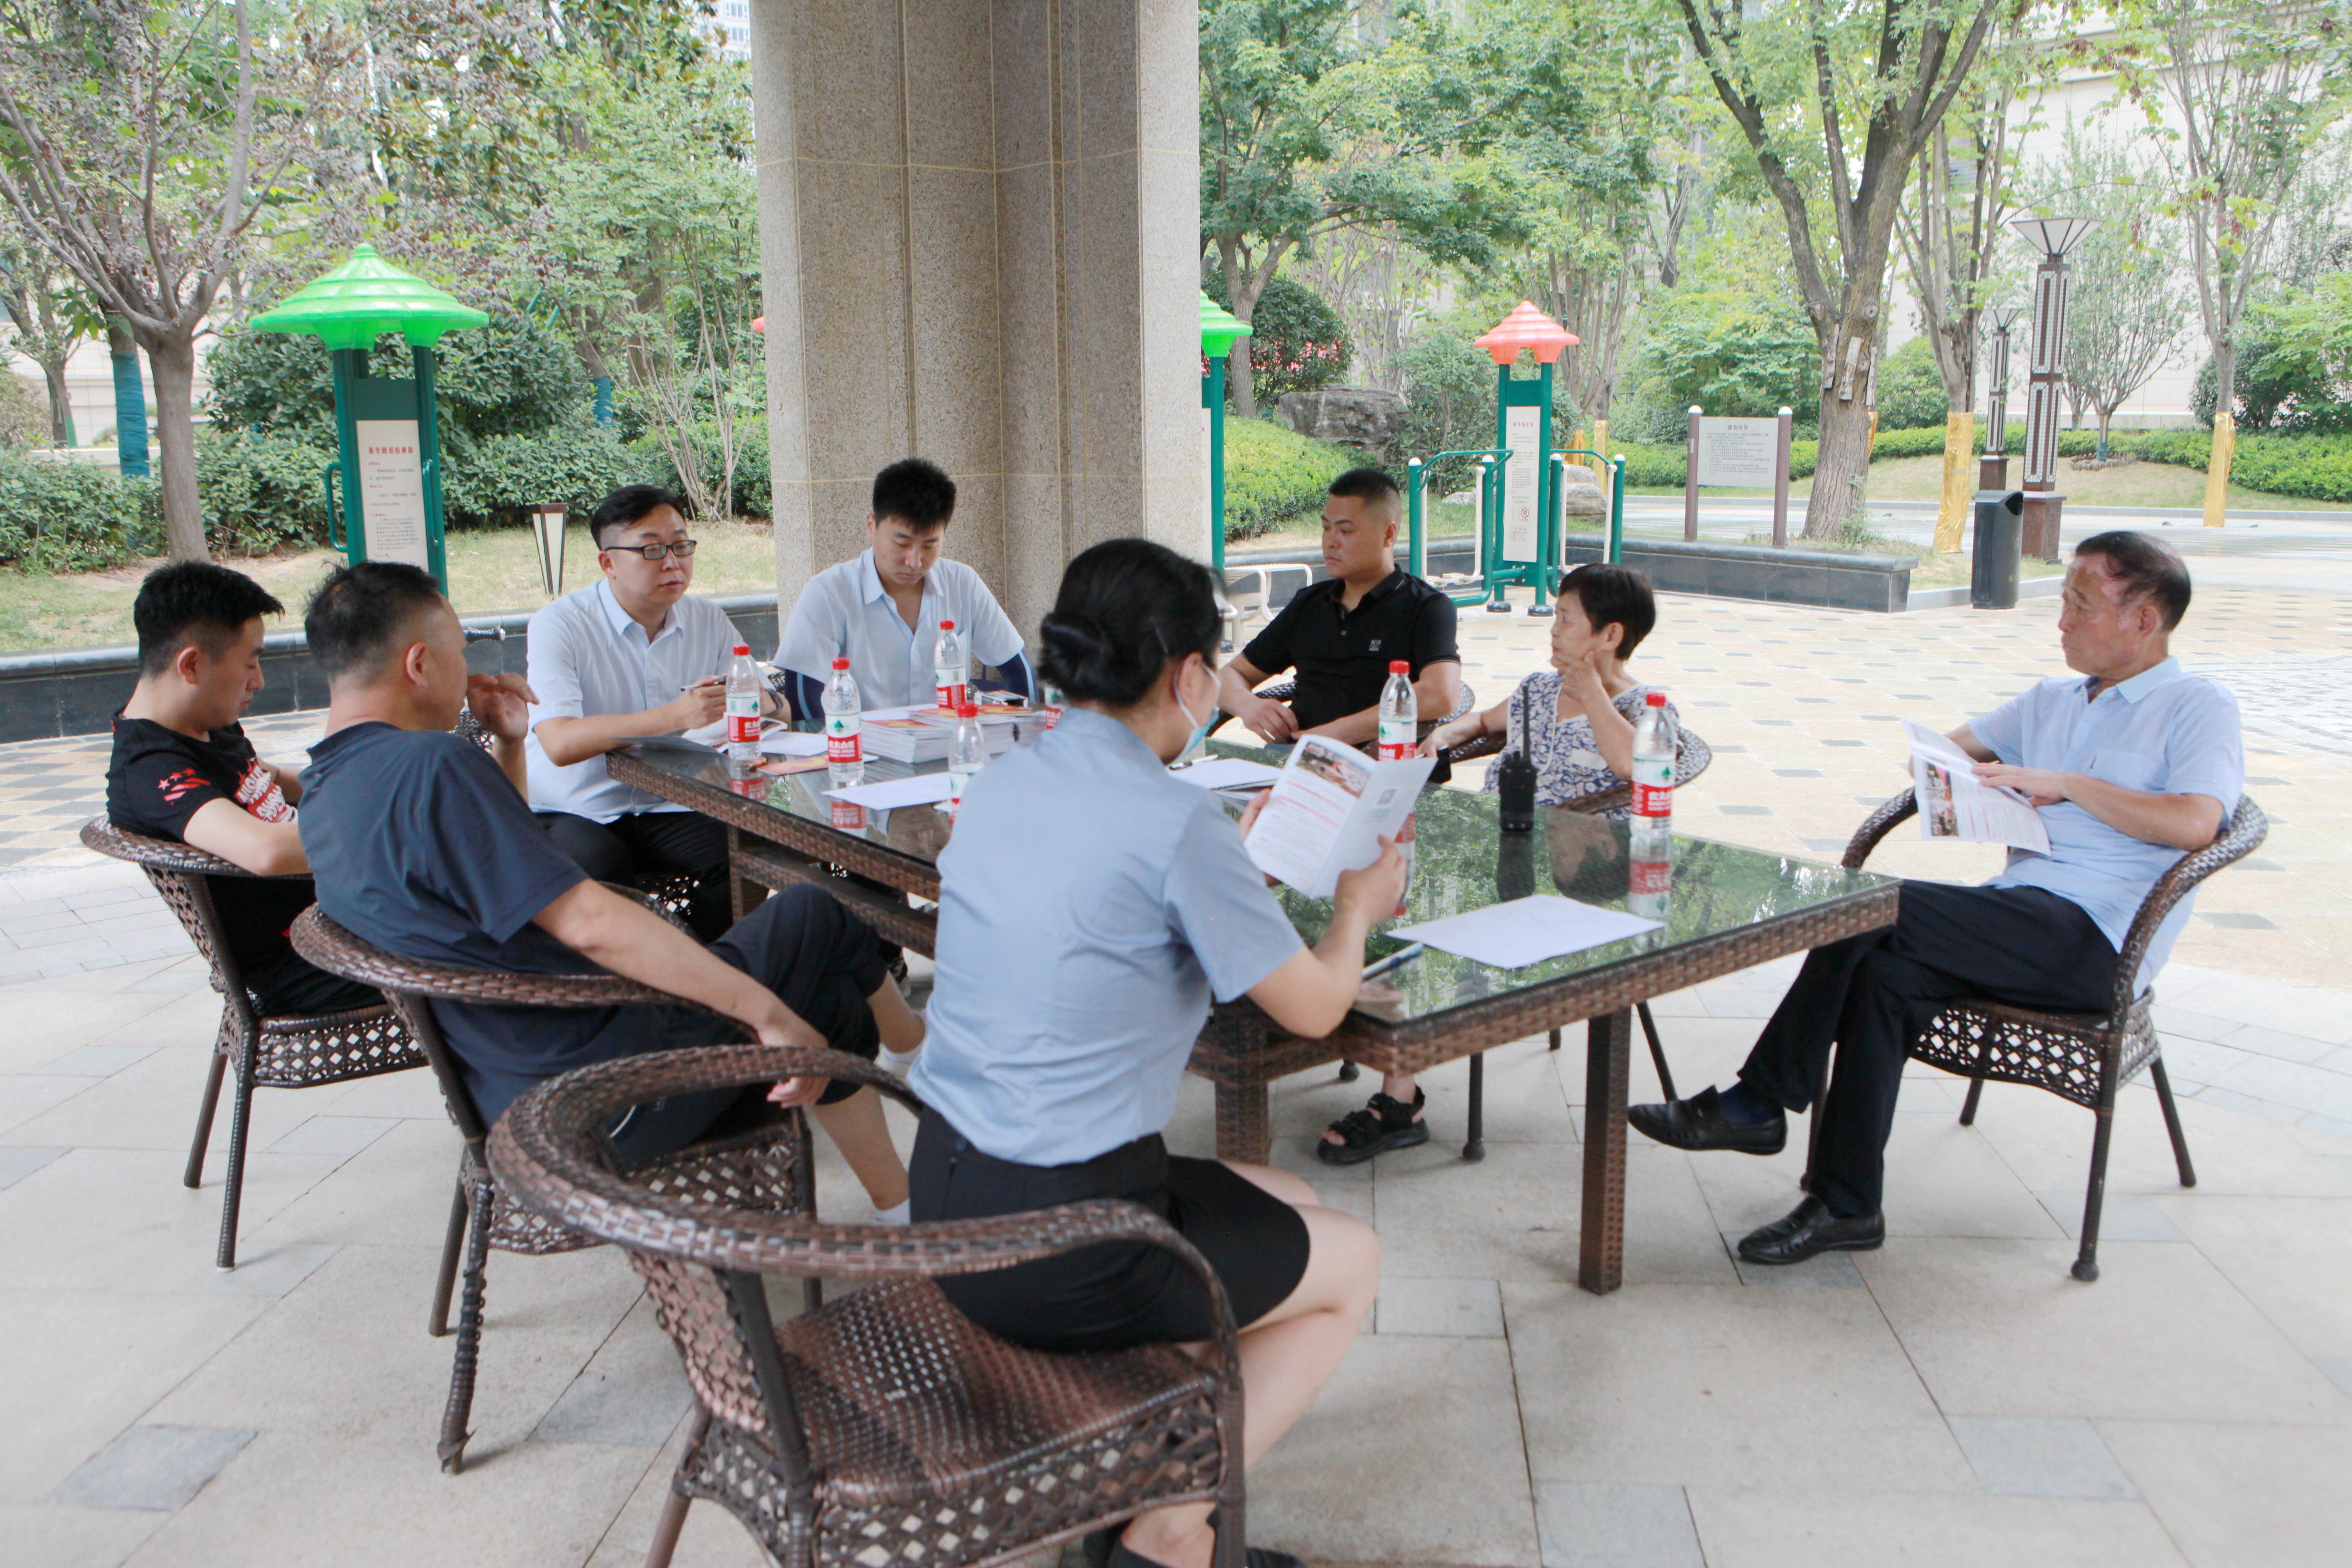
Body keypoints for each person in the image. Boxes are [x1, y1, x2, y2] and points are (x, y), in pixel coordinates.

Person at [910, 538, 1391, 1568]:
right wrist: (1356, 909)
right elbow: (1314, 1008)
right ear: (1185, 675)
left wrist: (1232, 863)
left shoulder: (1001, 781)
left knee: (1284, 1198)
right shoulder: (1175, 822)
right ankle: (1168, 1532)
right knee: (1353, 1259)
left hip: (947, 1193)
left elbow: (1099, 912)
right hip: (1063, 1242)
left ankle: (1143, 1459)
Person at [1630, 531, 2243, 1263]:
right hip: (2012, 909)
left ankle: (1760, 1102)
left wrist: (2067, 784)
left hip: (2095, 940)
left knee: (1863, 906)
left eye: (2081, 605)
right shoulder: (2050, 700)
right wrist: (1976, 791)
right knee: (1883, 976)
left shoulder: (2195, 705)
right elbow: (1939, 756)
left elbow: (2196, 822)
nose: (2062, 621)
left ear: (2145, 619)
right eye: (2063, 602)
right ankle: (1847, 1205)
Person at [295, 561, 921, 1210]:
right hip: (604, 1091)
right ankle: (916, 1060)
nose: (467, 670)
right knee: (812, 911)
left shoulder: (324, 791)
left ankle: (899, 1203)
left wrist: (509, 746)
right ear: (420, 664)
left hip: (509, 1089)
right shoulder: (433, 764)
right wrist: (765, 1014)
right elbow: (588, 923)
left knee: (827, 1002)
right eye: (459, 651)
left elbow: (502, 862)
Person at [1314, 563, 1708, 1165]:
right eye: (1556, 617)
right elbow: (1484, 722)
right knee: (1379, 887)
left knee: (1424, 923)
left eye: (1567, 620)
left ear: (1610, 635)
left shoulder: (1645, 709)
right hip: (1492, 849)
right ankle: (1340, 1017)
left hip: (1567, 883)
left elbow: (1635, 768)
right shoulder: (1537, 689)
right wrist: (1448, 736)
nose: (1554, 630)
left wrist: (1592, 691)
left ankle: (1399, 1099)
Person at [106, 561, 377, 1015]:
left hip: (344, 916)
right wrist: (398, 826)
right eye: (250, 662)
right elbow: (266, 851)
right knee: (490, 948)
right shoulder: (151, 770)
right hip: (307, 959)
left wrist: (382, 784)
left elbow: (270, 779)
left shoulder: (205, 723)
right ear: (191, 664)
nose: (259, 680)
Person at [525, 485, 772, 941]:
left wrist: (752, 700)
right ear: (608, 563)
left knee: (746, 850)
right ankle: (627, 981)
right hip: (575, 806)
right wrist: (676, 716)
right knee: (599, 869)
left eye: (681, 546)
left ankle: (707, 968)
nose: (673, 563)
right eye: (652, 550)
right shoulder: (559, 625)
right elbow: (559, 743)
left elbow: (767, 701)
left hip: (667, 803)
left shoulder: (707, 620)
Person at [1216, 467, 1461, 750]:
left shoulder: (1426, 607)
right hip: (1298, 761)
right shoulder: (1310, 605)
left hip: (1385, 763)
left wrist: (1340, 733)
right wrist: (1249, 706)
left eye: (1346, 531)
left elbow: (1441, 695)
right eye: (1326, 528)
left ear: (1388, 534)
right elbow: (1228, 676)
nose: (1331, 542)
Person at [775, 457, 1031, 714]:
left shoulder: (963, 583)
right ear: (871, 527)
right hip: (859, 739)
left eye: (930, 545)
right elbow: (803, 698)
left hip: (949, 736)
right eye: (902, 544)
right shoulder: (828, 594)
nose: (915, 561)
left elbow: (1018, 670)